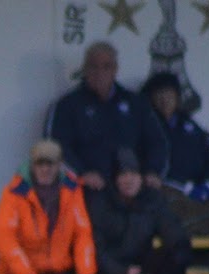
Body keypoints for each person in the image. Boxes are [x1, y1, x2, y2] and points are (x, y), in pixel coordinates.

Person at [0, 138, 97, 274]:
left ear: (59, 165)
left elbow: (82, 234)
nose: (45, 169)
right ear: (32, 165)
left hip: (59, 273)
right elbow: (4, 238)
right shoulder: (14, 192)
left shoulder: (72, 190)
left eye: (50, 164)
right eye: (40, 164)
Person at [44, 41, 168, 192]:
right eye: (93, 66)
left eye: (106, 66)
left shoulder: (137, 104)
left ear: (115, 69)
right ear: (84, 69)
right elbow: (54, 147)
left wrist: (152, 172)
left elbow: (157, 143)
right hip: (86, 190)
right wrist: (82, 173)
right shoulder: (67, 105)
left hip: (132, 192)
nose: (99, 72)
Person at [87, 150, 190, 274]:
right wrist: (123, 272)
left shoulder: (152, 200)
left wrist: (177, 248)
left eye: (134, 174)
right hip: (112, 271)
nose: (129, 180)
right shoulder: (100, 204)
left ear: (141, 178)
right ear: (114, 179)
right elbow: (96, 249)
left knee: (174, 258)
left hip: (142, 266)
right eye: (123, 175)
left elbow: (172, 231)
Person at [141, 71, 209, 232]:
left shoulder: (191, 127)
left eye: (169, 93)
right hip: (169, 195)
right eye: (159, 94)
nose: (164, 99)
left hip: (201, 194)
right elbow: (150, 171)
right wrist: (185, 188)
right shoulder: (145, 127)